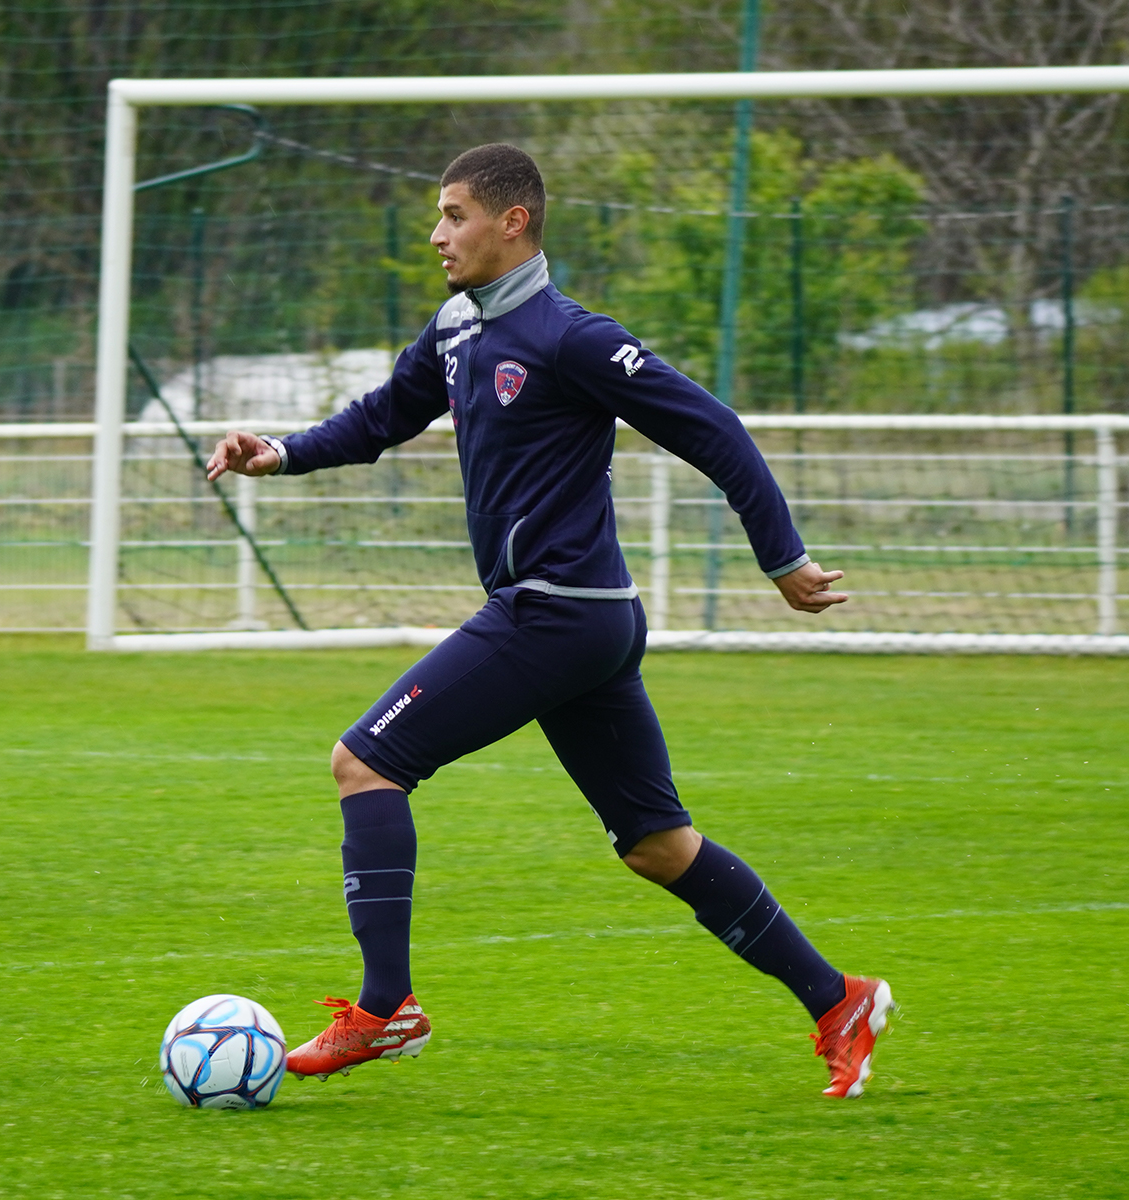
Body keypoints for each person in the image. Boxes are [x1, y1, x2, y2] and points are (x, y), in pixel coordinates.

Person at [205, 143, 894, 1099]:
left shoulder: (571, 336)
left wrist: (781, 560)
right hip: (587, 623)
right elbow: (377, 421)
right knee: (657, 845)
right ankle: (838, 999)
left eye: (453, 215)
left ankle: (386, 1010)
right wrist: (274, 451)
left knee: (365, 762)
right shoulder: (455, 328)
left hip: (554, 613)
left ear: (512, 222)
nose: (438, 234)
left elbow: (714, 429)